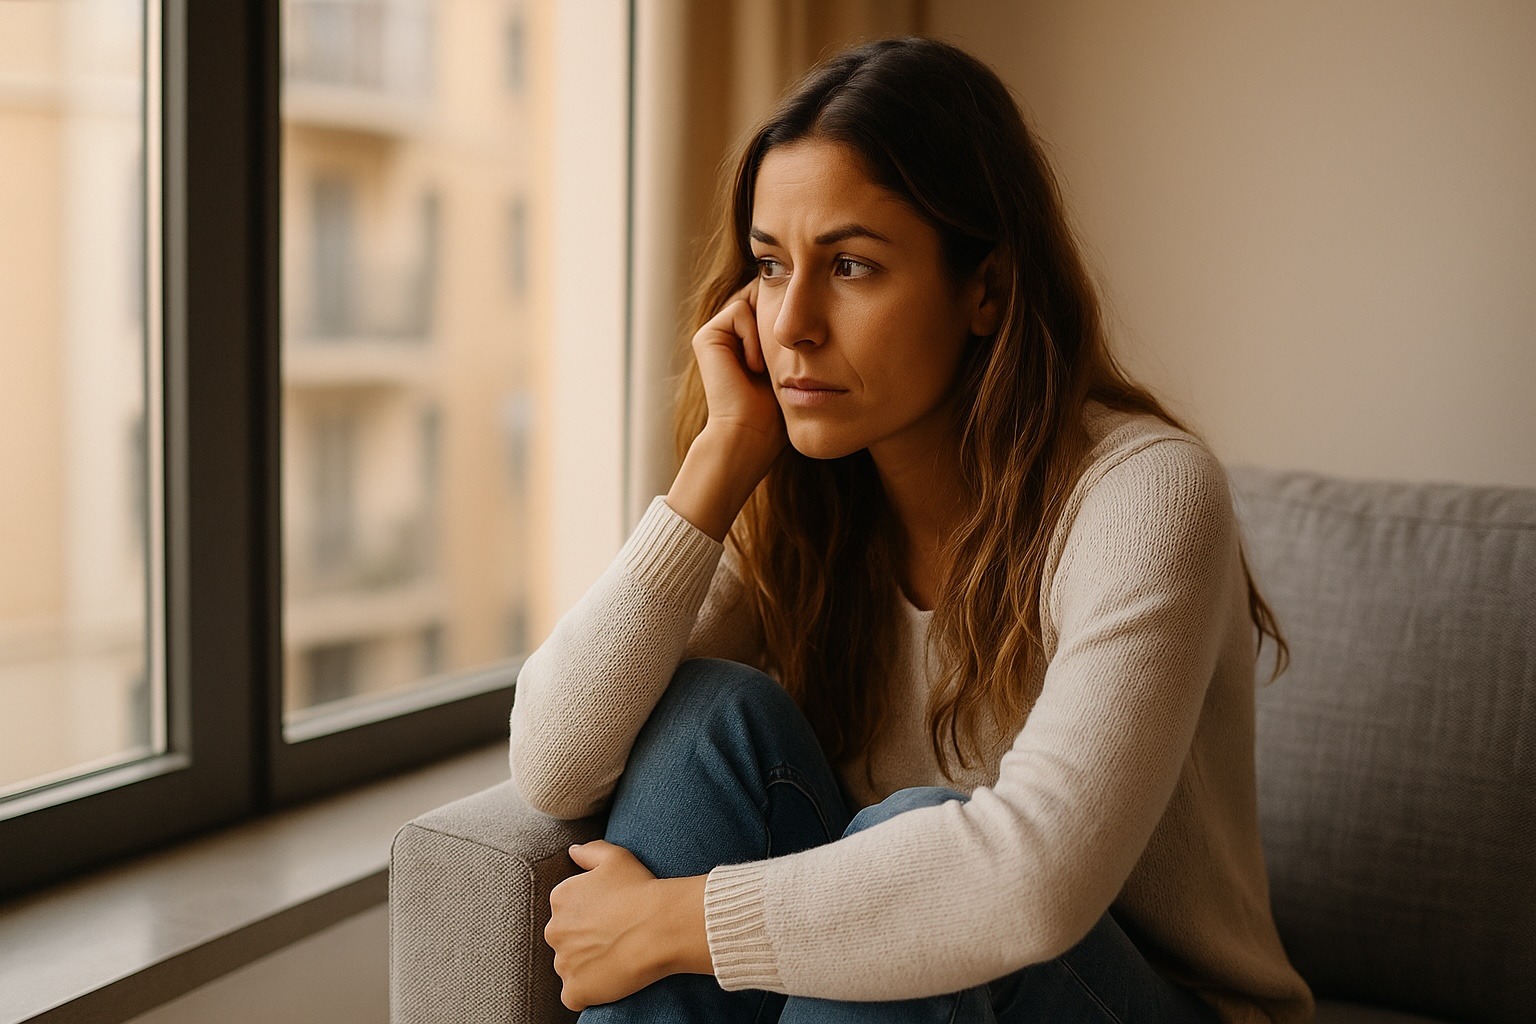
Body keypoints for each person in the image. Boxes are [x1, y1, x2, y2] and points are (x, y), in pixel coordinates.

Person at [510, 34, 1315, 1024]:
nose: (790, 322)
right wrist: (717, 467)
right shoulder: (805, 500)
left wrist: (676, 921)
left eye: (849, 265)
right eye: (769, 266)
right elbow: (552, 760)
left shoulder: (1146, 494)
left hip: (1136, 1001)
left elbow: (1029, 881)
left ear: (986, 290)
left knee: (919, 845)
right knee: (703, 725)